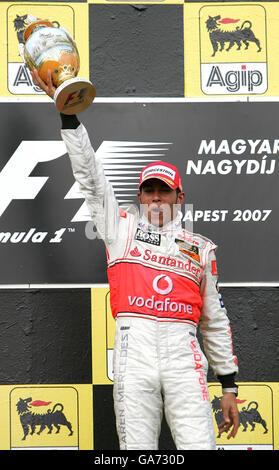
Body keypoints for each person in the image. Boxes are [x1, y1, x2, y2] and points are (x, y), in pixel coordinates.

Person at [32, 69, 239, 450]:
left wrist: (228, 384)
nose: (157, 197)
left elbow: (215, 319)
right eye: (149, 191)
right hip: (135, 354)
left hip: (185, 359)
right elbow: (91, 178)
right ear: (140, 197)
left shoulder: (201, 247)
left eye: (165, 191)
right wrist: (68, 116)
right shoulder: (119, 228)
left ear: (179, 196)